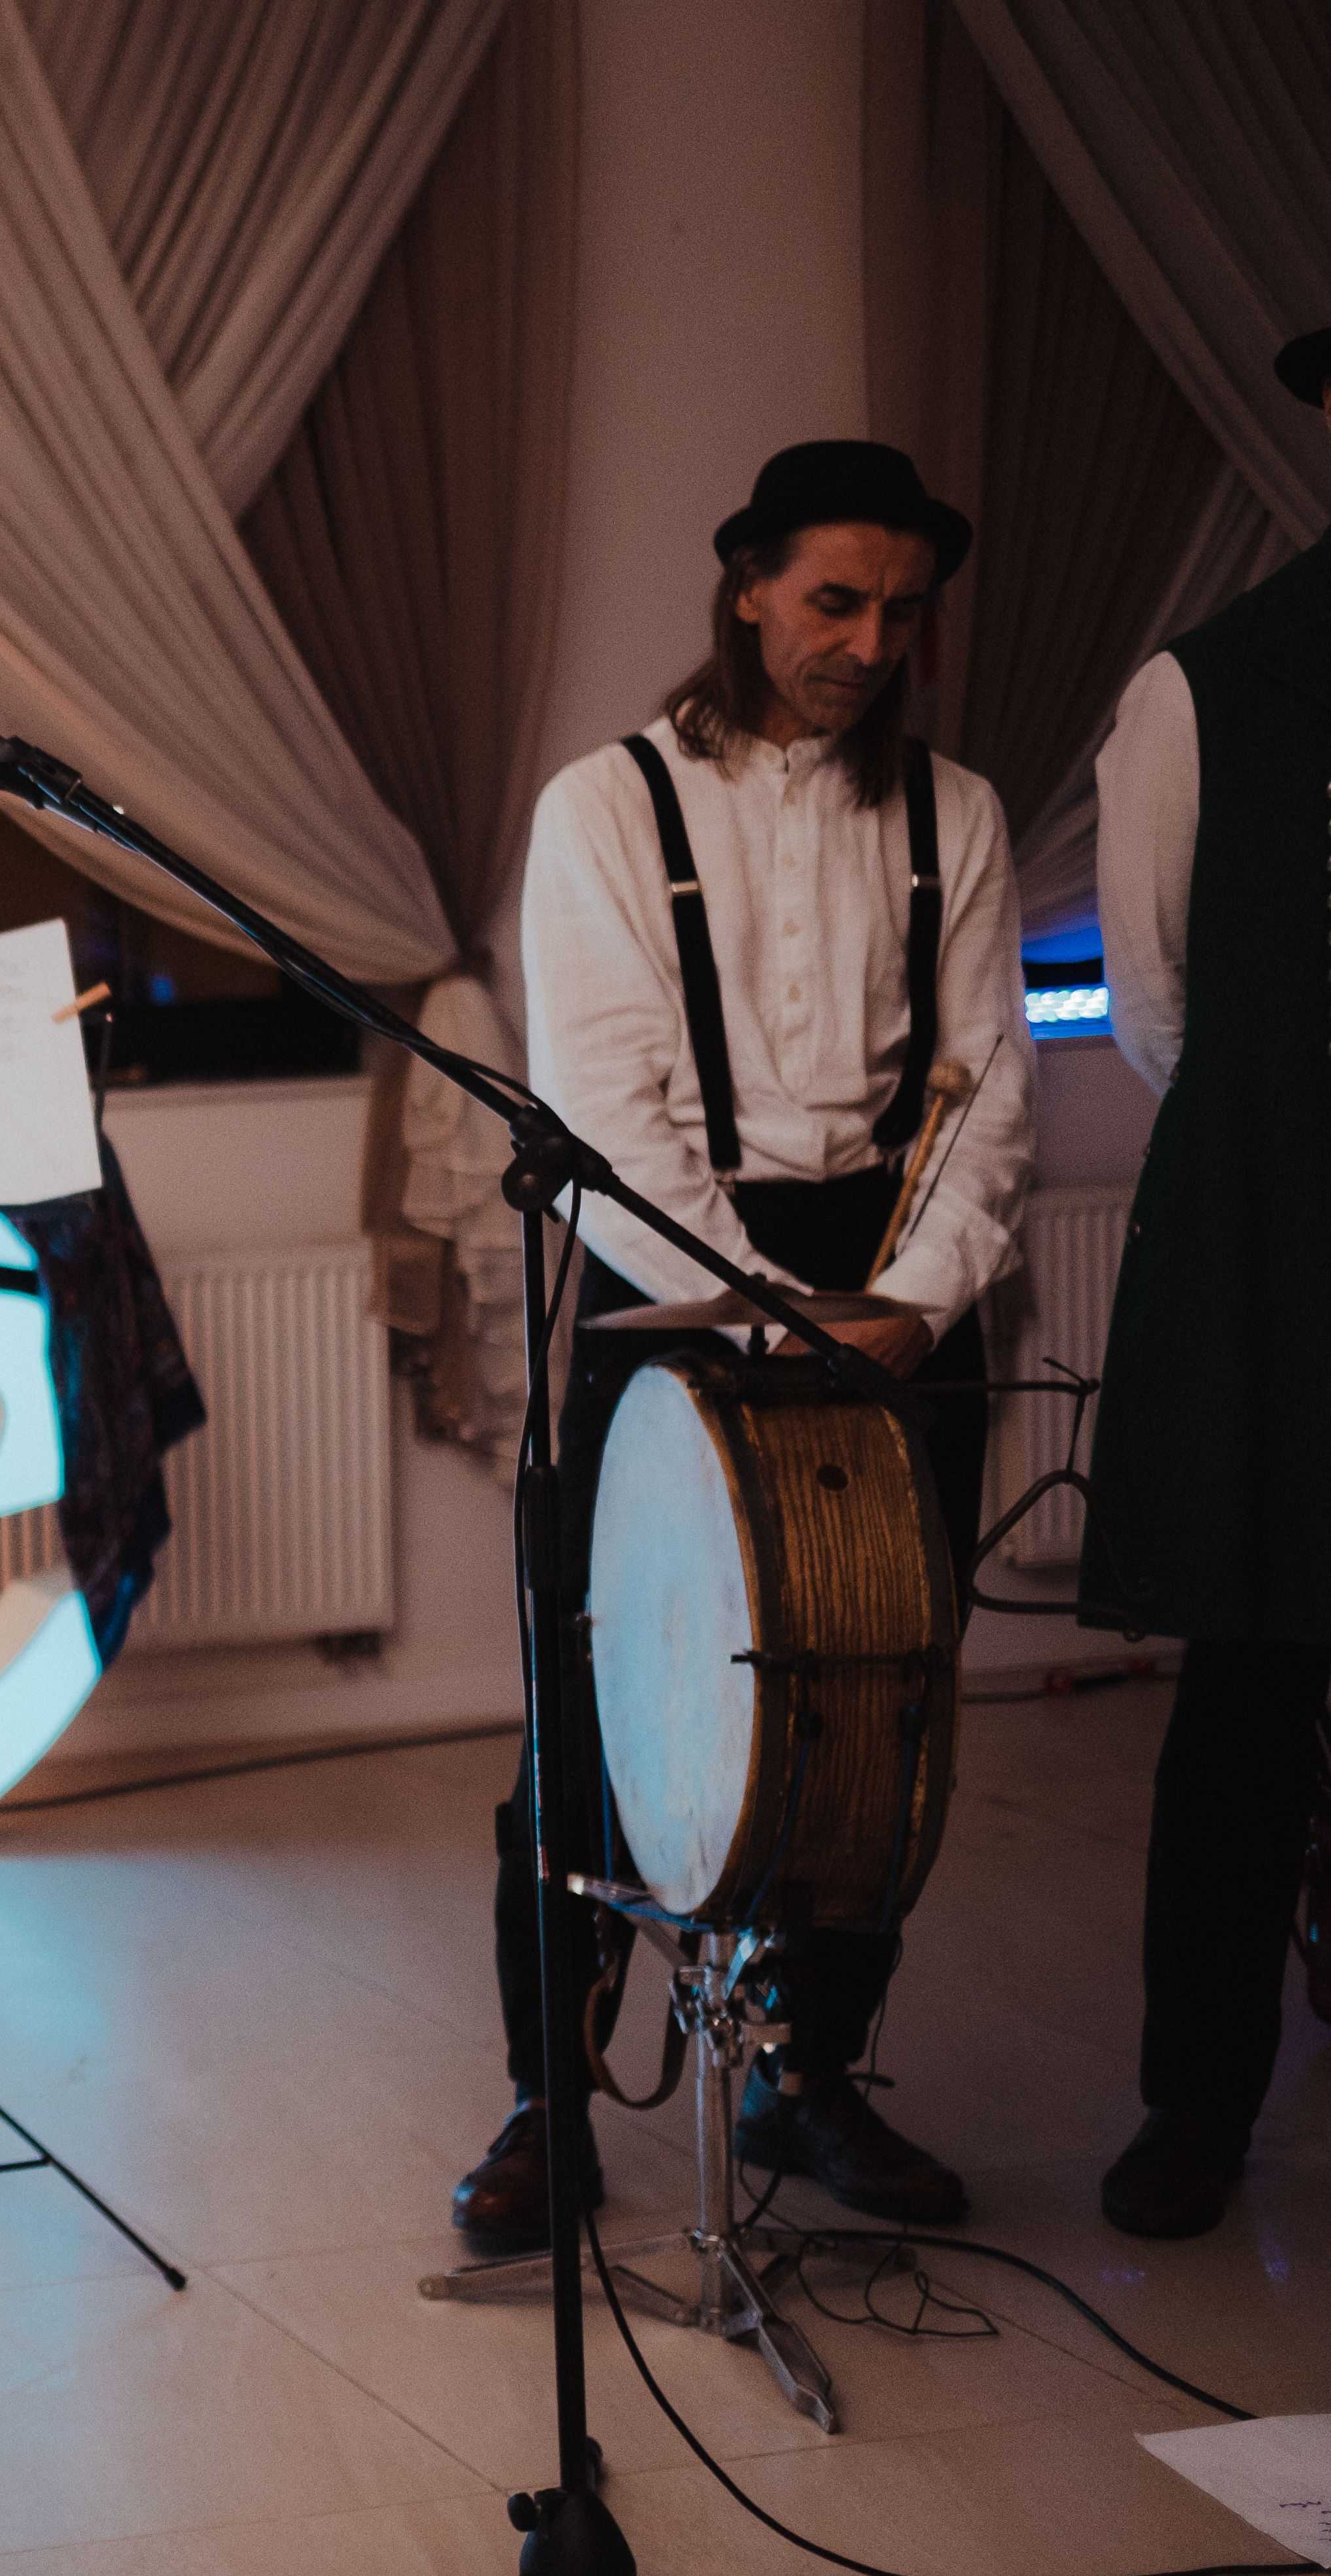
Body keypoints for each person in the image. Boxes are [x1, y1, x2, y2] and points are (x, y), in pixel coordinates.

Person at [454, 440, 1035, 2249]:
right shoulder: (606, 807)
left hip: (896, 1299)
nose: (869, 645)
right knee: (603, 1695)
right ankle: (555, 2097)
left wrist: (913, 1303)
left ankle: (809, 2069)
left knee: (872, 1703)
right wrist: (764, 1311)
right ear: (748, 588)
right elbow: (606, 1115)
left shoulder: (959, 814)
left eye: (902, 614)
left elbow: (990, 1098)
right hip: (667, 1282)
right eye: (835, 602)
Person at [1077, 324, 1331, 2241]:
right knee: (1249, 1689)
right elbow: (1159, 1004)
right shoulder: (1205, 684)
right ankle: (1200, 2101)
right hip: (1284, 1248)